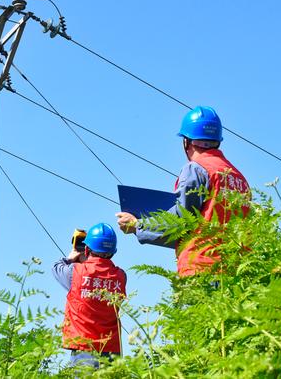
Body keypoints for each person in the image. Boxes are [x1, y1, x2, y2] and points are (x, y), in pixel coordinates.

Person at [116, 106, 250, 276]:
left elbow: (182, 220)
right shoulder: (239, 179)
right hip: (238, 269)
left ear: (186, 141)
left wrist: (137, 225)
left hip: (202, 268)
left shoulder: (196, 169)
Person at [52, 223, 127, 368]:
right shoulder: (121, 276)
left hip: (83, 350)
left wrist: (71, 257)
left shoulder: (75, 272)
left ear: (86, 249)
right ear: (113, 251)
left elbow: (56, 268)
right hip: (112, 351)